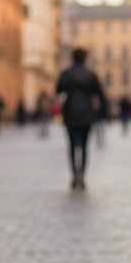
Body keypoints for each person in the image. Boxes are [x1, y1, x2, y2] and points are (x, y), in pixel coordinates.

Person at [55, 47, 108, 189]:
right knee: (84, 147)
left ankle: (74, 176)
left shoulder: (66, 74)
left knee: (72, 146)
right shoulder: (91, 74)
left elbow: (58, 90)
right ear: (85, 58)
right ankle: (82, 176)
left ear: (72, 58)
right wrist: (104, 114)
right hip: (87, 113)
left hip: (70, 112)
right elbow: (100, 95)